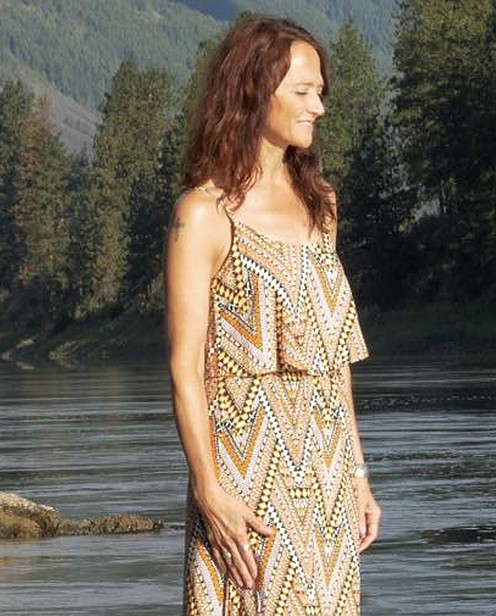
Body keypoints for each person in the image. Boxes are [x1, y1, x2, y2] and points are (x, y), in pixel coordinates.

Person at [165, 16, 381, 615]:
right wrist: (209, 491)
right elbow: (185, 370)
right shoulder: (204, 214)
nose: (319, 107)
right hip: (243, 479)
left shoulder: (323, 206)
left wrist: (359, 475)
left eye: (321, 92)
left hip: (328, 476)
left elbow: (333, 362)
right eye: (303, 92)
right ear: (255, 91)